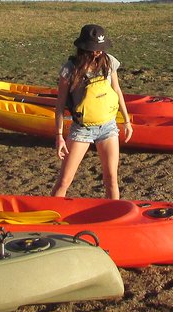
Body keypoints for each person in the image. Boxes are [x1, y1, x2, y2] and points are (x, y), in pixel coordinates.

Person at [51, 24, 133, 200]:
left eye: (100, 49)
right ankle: (50, 216)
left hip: (108, 126)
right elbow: (60, 105)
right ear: (84, 48)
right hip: (82, 129)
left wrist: (126, 121)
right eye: (94, 50)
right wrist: (59, 136)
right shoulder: (70, 69)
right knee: (64, 181)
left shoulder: (109, 62)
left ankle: (113, 219)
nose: (98, 53)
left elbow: (117, 90)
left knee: (111, 179)